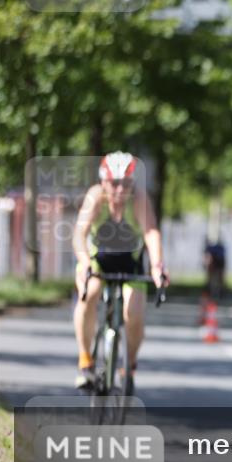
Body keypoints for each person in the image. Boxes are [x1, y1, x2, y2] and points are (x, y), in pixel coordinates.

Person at [72, 152, 169, 389]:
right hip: (97, 260)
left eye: (126, 184)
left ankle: (129, 364)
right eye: (114, 183)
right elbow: (79, 234)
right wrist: (84, 262)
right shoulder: (96, 197)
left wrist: (157, 266)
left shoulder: (139, 199)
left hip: (129, 262)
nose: (120, 190)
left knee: (133, 312)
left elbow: (150, 232)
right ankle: (85, 360)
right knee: (89, 293)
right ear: (103, 181)